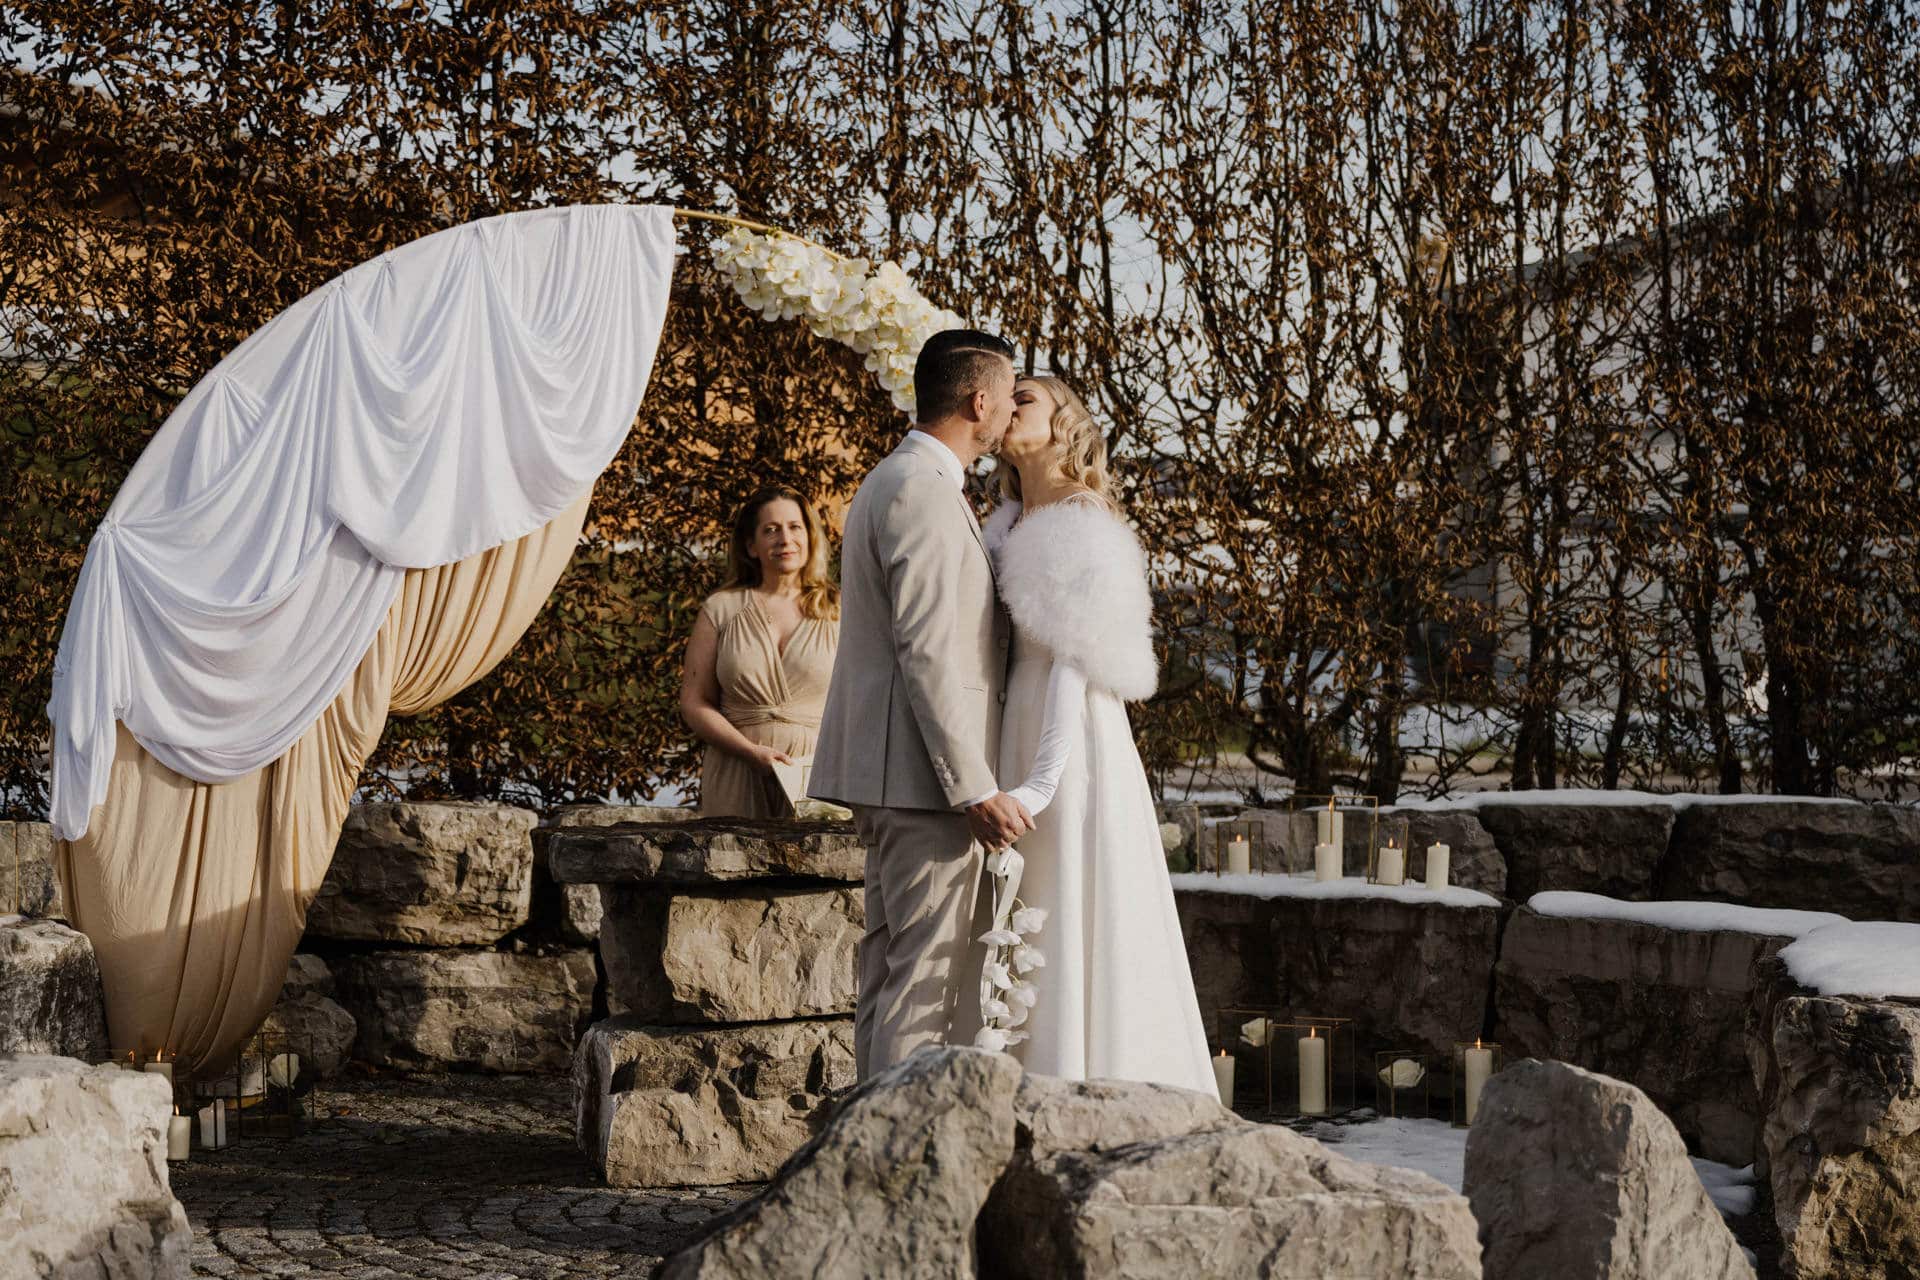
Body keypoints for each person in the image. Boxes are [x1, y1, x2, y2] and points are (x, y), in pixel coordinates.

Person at [809, 329, 1034, 1080]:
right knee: (921, 981)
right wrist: (972, 786)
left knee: (889, 970)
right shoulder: (921, 491)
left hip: (895, 774)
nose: (1008, 410)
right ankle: (888, 1165)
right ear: (979, 400)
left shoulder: (898, 479)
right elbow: (930, 650)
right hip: (922, 783)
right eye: (1007, 396)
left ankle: (861, 1144)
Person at [982, 374, 1215, 1093]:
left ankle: (1089, 1080)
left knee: (1069, 896)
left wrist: (1042, 781)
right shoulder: (1001, 521)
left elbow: (1074, 666)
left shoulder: (1082, 517)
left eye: (1024, 397)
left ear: (1064, 424)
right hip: (1009, 719)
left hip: (1069, 734)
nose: (1006, 402)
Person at [680, 487, 840, 818]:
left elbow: (866, 699)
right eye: (771, 530)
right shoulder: (721, 609)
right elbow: (694, 702)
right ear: (751, 546)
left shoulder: (840, 610)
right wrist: (750, 752)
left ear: (810, 537)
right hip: (736, 770)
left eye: (794, 527)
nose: (785, 538)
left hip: (815, 779)